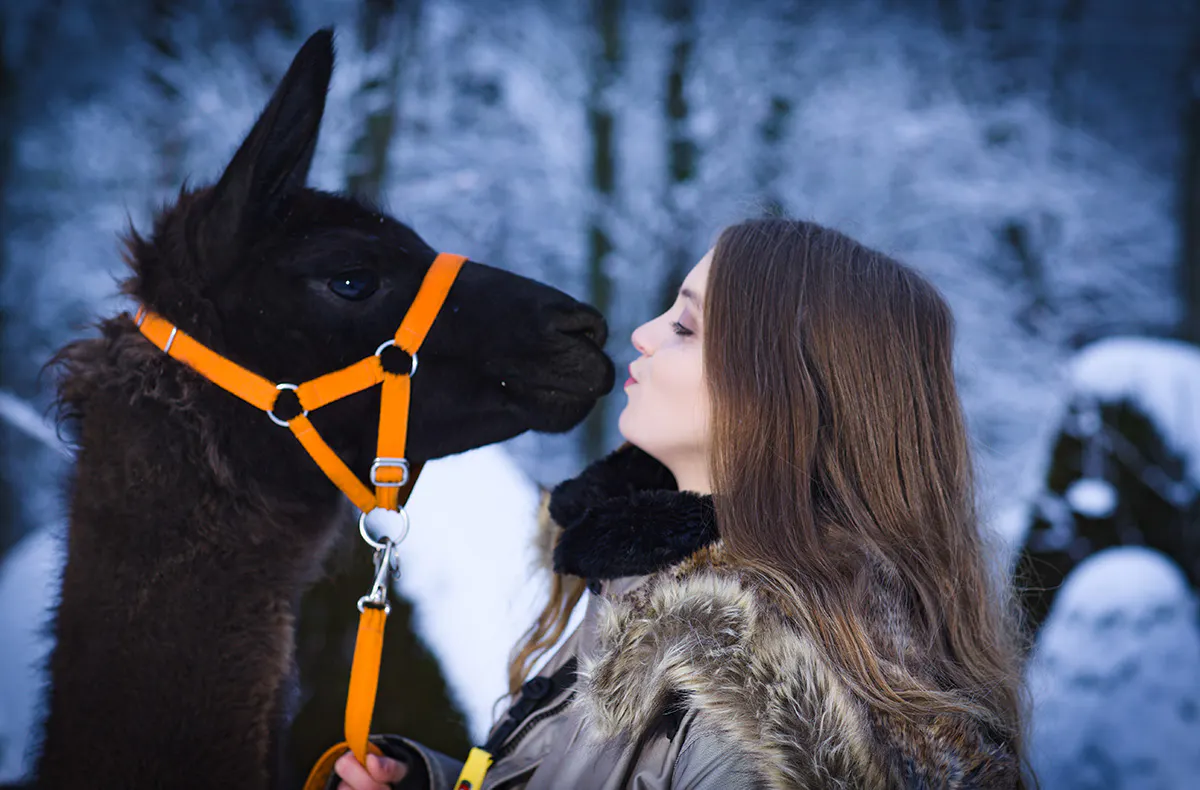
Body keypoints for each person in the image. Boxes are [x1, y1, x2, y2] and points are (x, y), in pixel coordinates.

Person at [332, 218, 1028, 789]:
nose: (642, 334)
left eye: (686, 329)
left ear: (779, 397)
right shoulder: (654, 598)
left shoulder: (758, 711)